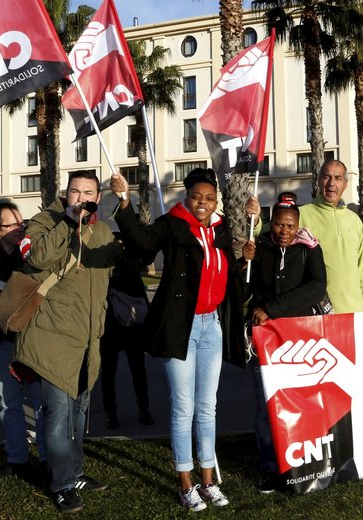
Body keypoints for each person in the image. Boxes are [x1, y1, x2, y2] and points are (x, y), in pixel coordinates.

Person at [110, 168, 246, 511]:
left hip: (211, 325)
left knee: (207, 408)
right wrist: (124, 200)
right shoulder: (173, 223)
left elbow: (232, 274)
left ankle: (208, 481)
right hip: (178, 327)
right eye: (197, 196)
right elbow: (141, 241)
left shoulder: (220, 229)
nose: (203, 203)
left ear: (217, 202)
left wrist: (250, 238)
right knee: (184, 408)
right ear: (187, 197)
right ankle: (186, 485)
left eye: (210, 198)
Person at [14, 171, 118, 513]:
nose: (81, 198)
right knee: (58, 415)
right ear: (66, 193)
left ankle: (74, 472)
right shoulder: (44, 222)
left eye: (88, 192)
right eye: (76, 191)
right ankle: (61, 485)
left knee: (78, 415)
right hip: (52, 337)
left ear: (98, 197)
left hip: (87, 340)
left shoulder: (101, 230)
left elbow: (103, 283)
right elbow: (36, 259)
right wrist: (67, 224)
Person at [241, 192, 327, 492]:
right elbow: (243, 292)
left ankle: (304, 461)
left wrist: (272, 309)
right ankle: (270, 466)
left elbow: (317, 287)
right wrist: (244, 263)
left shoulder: (309, 248)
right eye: (279, 225)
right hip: (263, 339)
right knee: (267, 404)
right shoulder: (260, 246)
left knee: (301, 401)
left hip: (298, 337)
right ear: (271, 223)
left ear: (298, 225)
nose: (284, 231)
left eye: (290, 226)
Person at [0, 201, 46, 481]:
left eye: (21, 223)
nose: (20, 229)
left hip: (35, 341)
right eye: (12, 224)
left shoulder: (32, 257)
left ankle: (48, 457)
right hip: (3, 343)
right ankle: (17, 459)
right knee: (10, 404)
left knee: (41, 404)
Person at [296, 159, 363, 313]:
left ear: (345, 184)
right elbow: (268, 234)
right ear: (318, 181)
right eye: (326, 177)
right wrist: (255, 221)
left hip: (354, 312)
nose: (331, 183)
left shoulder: (354, 220)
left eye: (338, 178)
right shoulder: (300, 215)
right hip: (316, 313)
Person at [99, 236, 153, 430]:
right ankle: (141, 410)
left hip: (114, 327)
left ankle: (113, 414)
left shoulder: (107, 268)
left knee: (113, 372)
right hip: (126, 327)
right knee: (134, 370)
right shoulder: (128, 266)